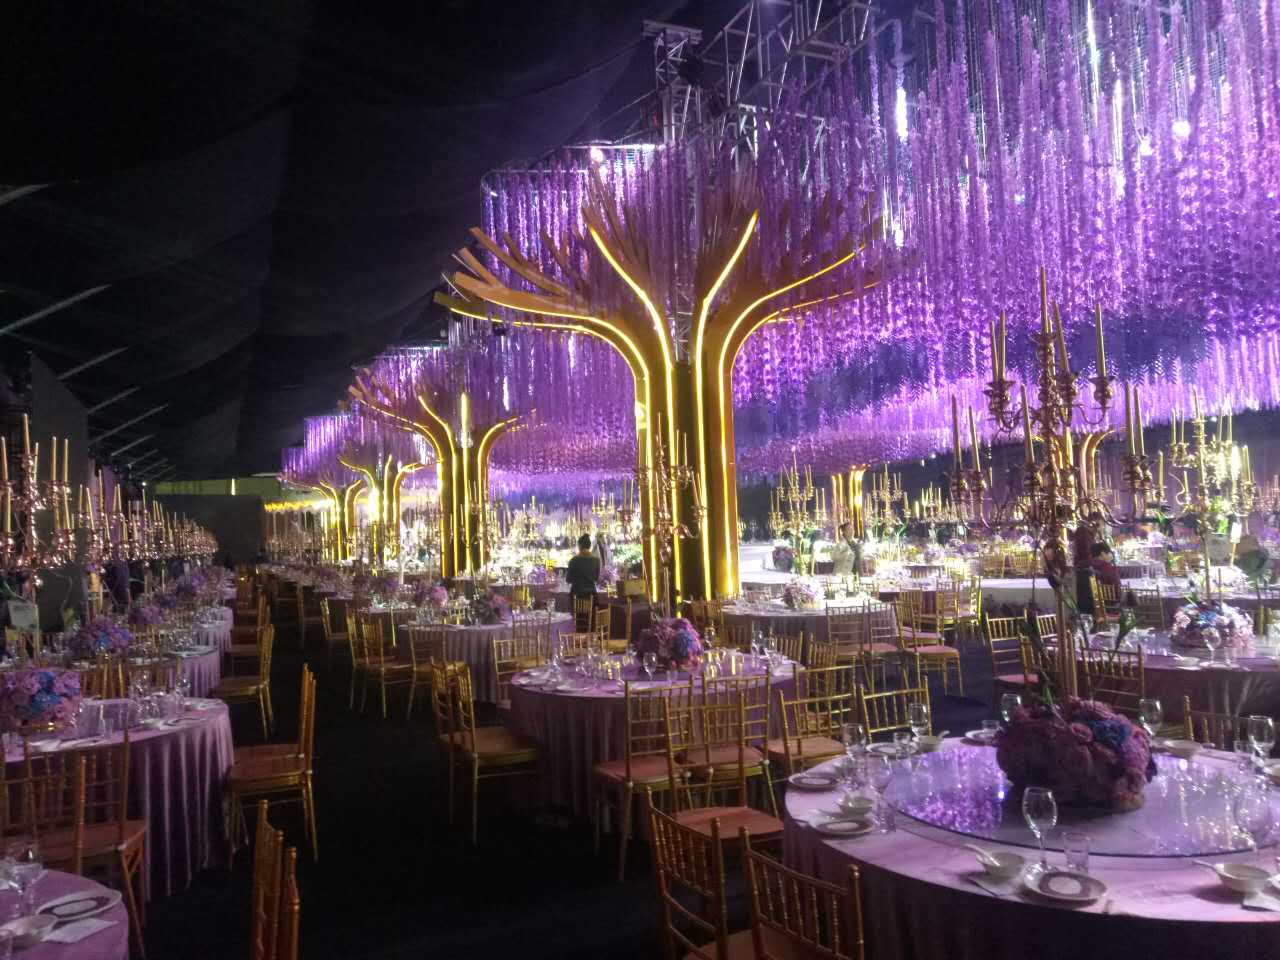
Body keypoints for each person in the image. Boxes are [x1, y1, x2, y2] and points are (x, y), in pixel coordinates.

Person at [566, 534, 601, 599]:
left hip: (576, 596)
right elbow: (596, 578)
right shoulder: (596, 560)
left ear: (580, 546)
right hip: (591, 595)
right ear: (589, 546)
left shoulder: (573, 560)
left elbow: (568, 579)